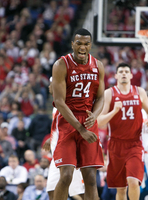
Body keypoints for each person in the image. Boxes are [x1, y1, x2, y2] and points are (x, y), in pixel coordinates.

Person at [51, 28, 105, 200]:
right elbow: (59, 102)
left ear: (90, 45)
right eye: (79, 43)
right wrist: (80, 129)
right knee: (66, 176)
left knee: (90, 179)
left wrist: (95, 115)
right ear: (73, 44)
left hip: (88, 121)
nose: (83, 47)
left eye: (86, 44)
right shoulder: (61, 65)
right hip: (69, 121)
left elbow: (101, 96)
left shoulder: (98, 66)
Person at [97, 62, 148, 200]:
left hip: (135, 144)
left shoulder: (139, 91)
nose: (123, 74)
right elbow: (100, 121)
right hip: (115, 145)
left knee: (133, 182)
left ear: (131, 75)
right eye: (121, 71)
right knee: (121, 189)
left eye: (126, 71)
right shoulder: (109, 93)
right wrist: (114, 111)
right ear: (116, 75)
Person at [42, 77, 85, 200]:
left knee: (79, 192)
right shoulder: (56, 104)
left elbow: (76, 125)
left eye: (51, 84)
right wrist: (52, 138)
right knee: (52, 190)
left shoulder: (69, 103)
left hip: (69, 153)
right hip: (57, 154)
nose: (49, 87)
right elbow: (60, 126)